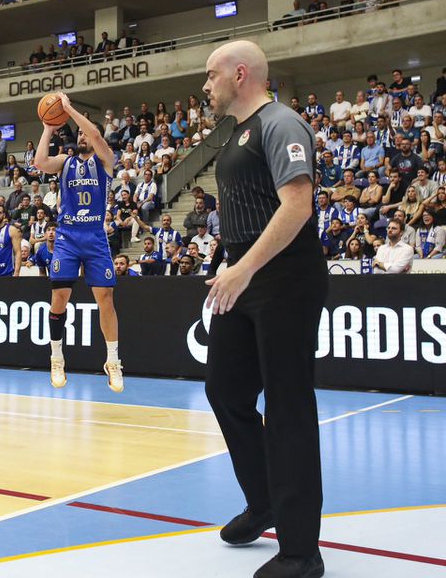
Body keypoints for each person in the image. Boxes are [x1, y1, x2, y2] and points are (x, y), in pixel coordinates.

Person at [202, 41, 327, 578]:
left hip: (284, 278)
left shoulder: (281, 123)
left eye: (211, 75)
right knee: (225, 390)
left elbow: (298, 204)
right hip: (244, 275)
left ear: (241, 73)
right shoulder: (235, 134)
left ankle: (302, 552)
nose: (205, 86)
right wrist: (230, 264)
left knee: (288, 406)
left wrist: (245, 267)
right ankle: (265, 501)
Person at [33, 92, 123, 393]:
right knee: (59, 299)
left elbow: (97, 134)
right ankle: (56, 357)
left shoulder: (106, 161)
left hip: (95, 236)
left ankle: (113, 361)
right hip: (68, 237)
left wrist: (69, 109)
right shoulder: (66, 162)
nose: (83, 136)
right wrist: (48, 126)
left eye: (86, 132)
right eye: (80, 134)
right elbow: (40, 161)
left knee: (105, 299)